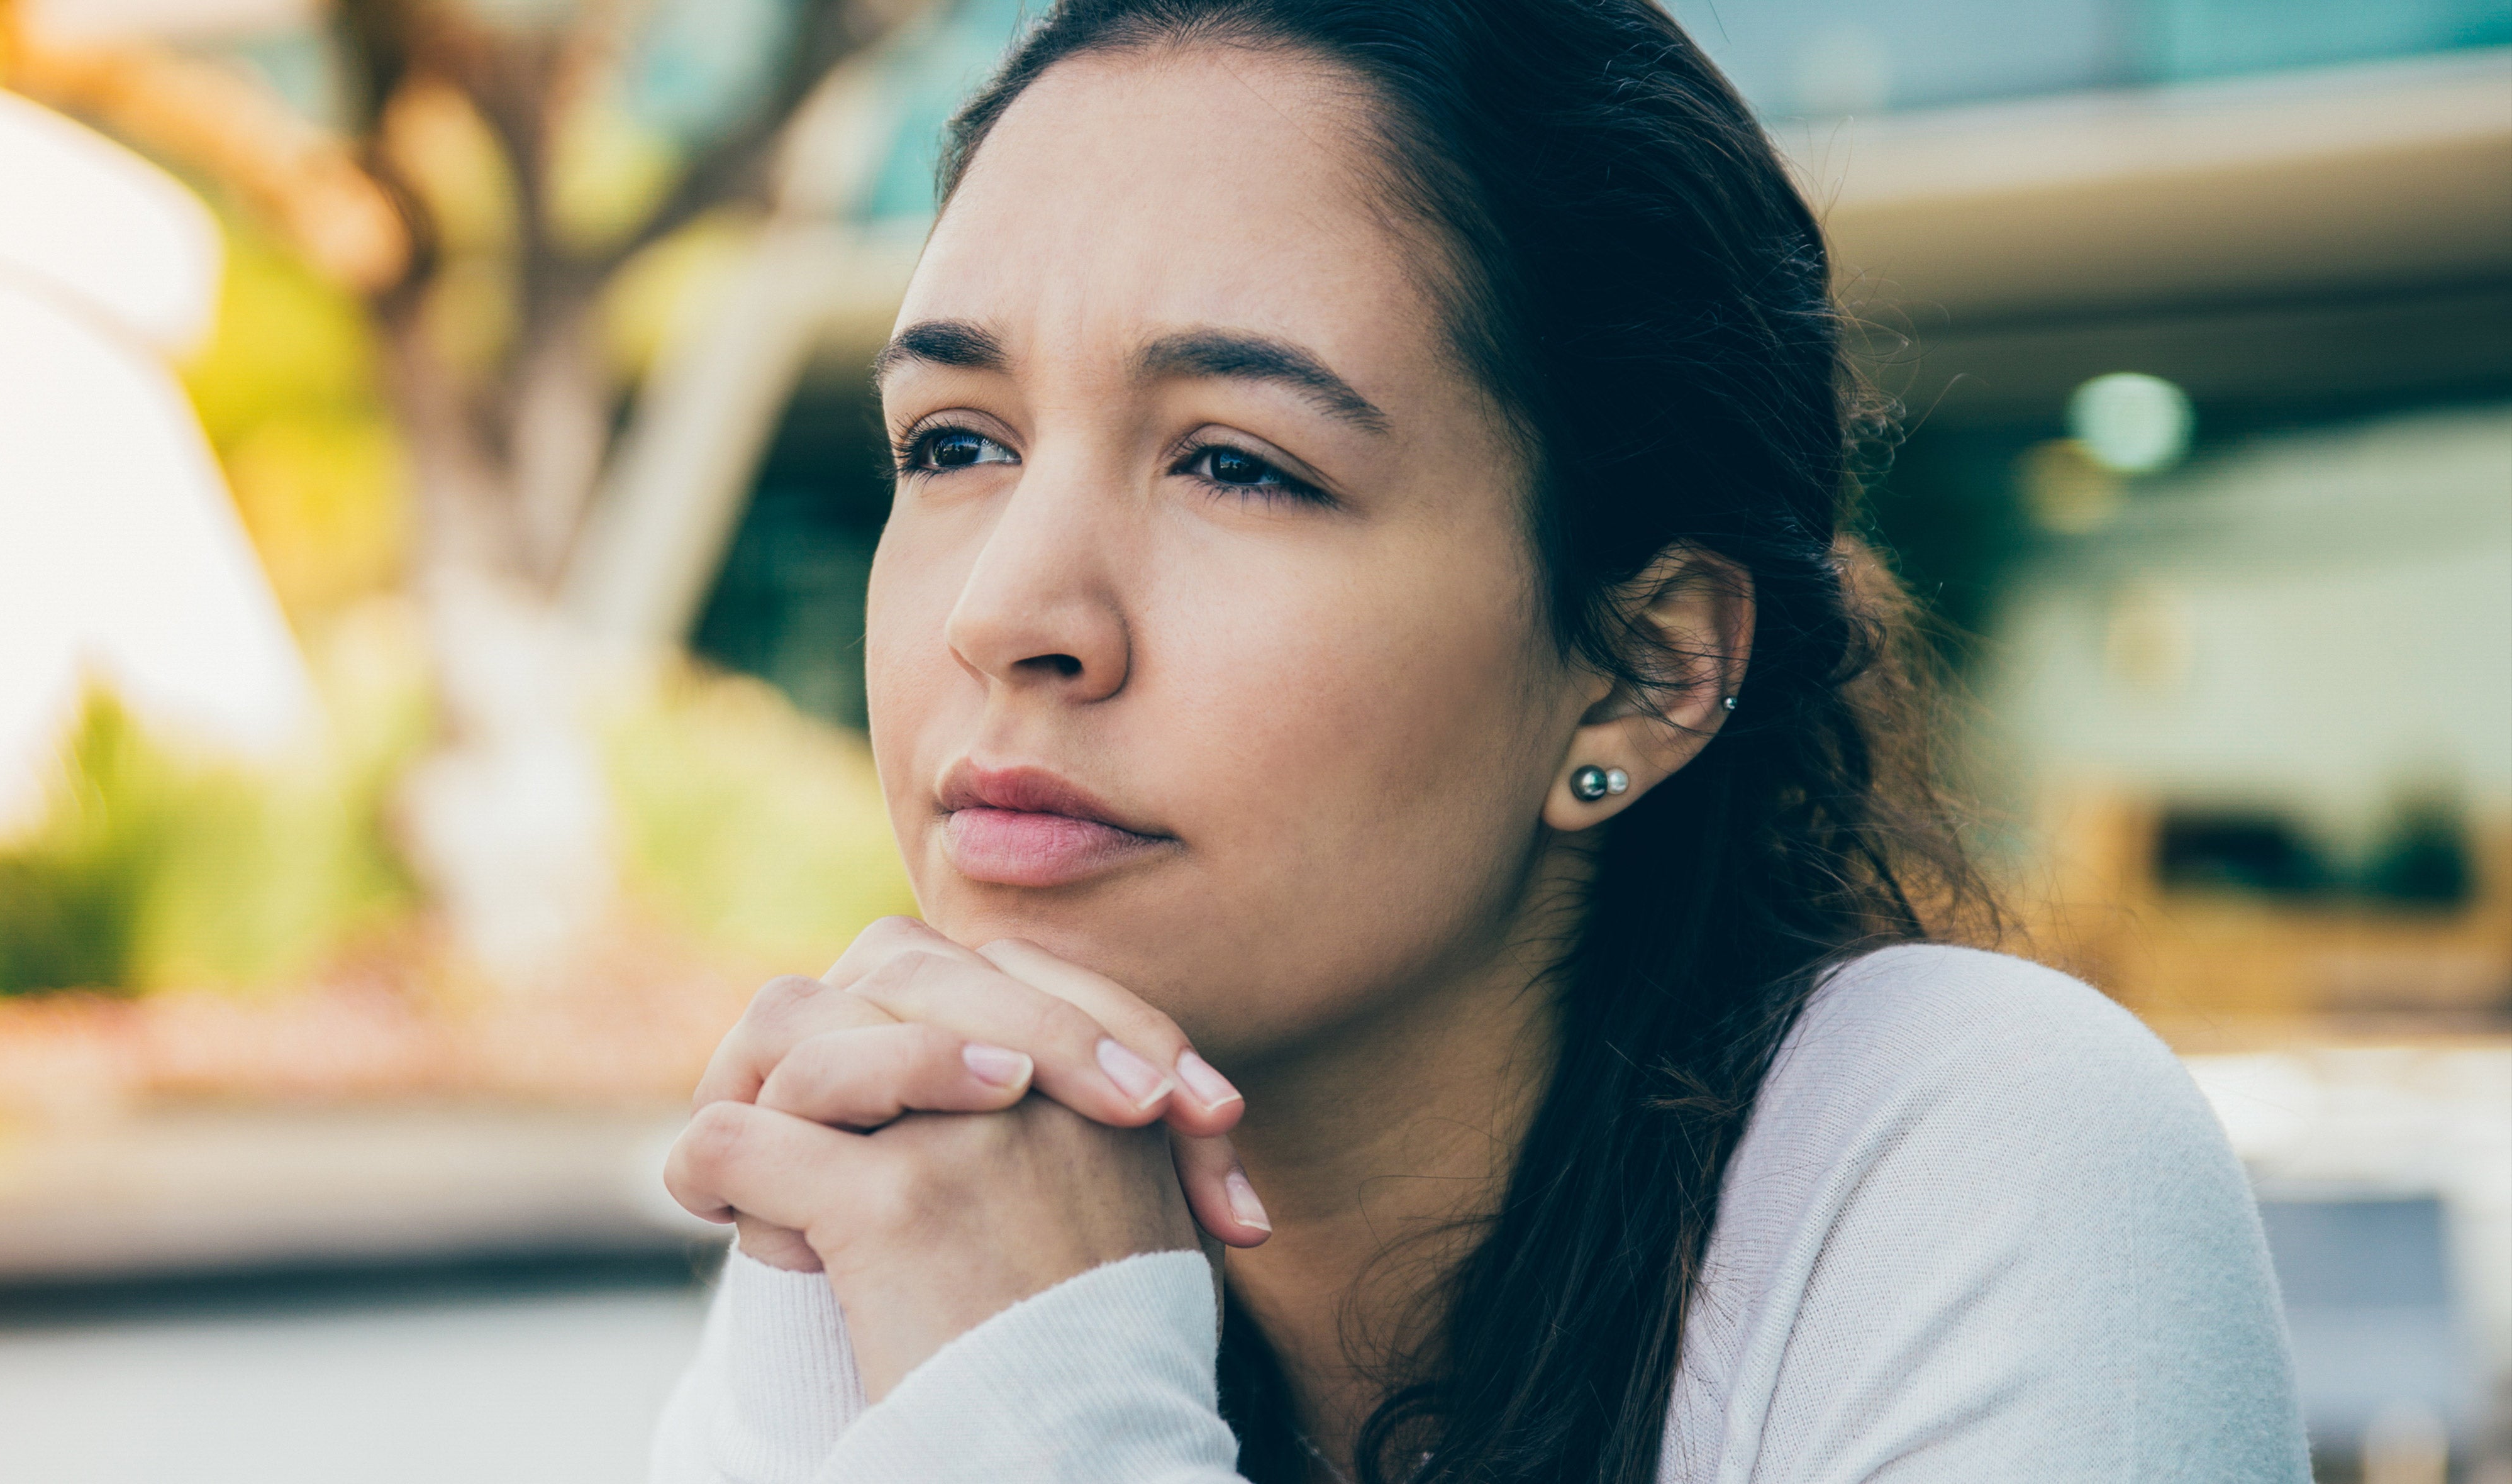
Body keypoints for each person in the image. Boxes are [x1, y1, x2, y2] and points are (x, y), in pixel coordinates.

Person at [647, 1, 2310, 1479]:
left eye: (1237, 463)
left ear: (1638, 673)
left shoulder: (1969, 1154)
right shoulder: (922, 1181)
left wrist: (1034, 1401)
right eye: (952, 443)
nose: (1011, 611)